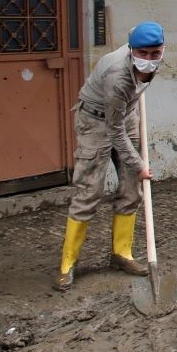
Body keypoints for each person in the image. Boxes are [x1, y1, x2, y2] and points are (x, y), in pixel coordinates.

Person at [54, 21, 165, 291]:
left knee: (132, 190)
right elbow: (114, 131)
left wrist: (135, 170)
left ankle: (121, 254)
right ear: (131, 50)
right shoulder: (117, 76)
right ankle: (67, 265)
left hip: (125, 115)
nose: (149, 60)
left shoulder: (152, 58)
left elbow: (128, 109)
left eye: (155, 53)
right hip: (97, 121)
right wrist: (139, 164)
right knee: (89, 191)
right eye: (143, 54)